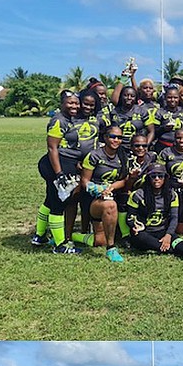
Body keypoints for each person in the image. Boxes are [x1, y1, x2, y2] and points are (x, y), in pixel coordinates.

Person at [125, 163, 183, 265]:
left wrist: (168, 235)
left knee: (175, 239)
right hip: (144, 232)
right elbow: (130, 217)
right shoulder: (137, 195)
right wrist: (134, 225)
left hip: (162, 230)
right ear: (148, 178)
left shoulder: (172, 195)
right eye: (153, 176)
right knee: (141, 237)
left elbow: (174, 217)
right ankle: (172, 250)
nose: (157, 179)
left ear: (165, 178)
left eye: (160, 176)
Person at [33, 91, 84, 250]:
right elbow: (52, 147)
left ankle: (39, 236)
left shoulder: (69, 119)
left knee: (50, 200)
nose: (74, 106)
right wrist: (59, 174)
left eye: (76, 103)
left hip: (61, 164)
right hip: (57, 165)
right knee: (59, 204)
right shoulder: (59, 120)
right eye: (70, 103)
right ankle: (61, 245)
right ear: (62, 104)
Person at [77, 125, 129, 261]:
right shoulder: (94, 155)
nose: (116, 140)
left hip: (112, 196)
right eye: (113, 136)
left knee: (99, 241)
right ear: (105, 137)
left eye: (119, 137)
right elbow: (84, 181)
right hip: (95, 200)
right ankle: (111, 249)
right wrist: (97, 189)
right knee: (110, 205)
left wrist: (110, 187)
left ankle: (74, 235)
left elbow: (124, 180)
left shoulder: (123, 156)